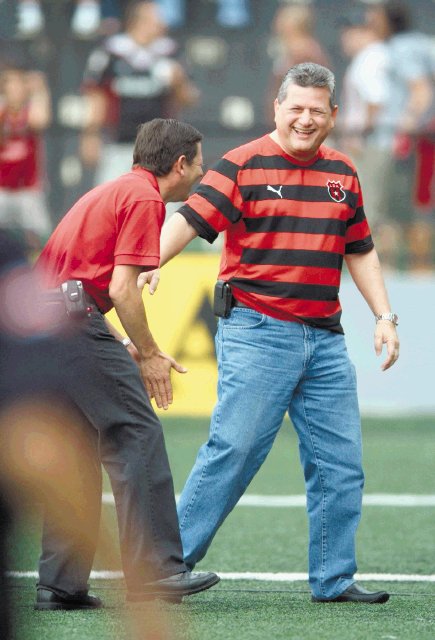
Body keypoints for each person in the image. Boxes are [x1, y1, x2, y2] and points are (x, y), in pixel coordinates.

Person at [138, 63, 400, 604]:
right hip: (258, 329)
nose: (305, 119)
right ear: (277, 108)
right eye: (295, 108)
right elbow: (189, 219)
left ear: (334, 114)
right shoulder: (240, 164)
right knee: (234, 449)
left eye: (316, 110)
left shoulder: (344, 173)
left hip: (326, 339)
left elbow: (361, 250)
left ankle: (334, 580)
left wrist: (384, 317)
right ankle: (164, 567)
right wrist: (150, 259)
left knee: (341, 464)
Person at [34, 118, 219, 610]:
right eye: (197, 165)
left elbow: (75, 287)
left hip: (49, 325)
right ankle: (156, 572)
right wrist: (152, 353)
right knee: (135, 432)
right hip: (72, 324)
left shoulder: (117, 188)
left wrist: (122, 344)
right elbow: (121, 288)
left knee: (76, 449)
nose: (200, 174)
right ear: (179, 164)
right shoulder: (145, 199)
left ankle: (60, 585)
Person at [80, 0, 199, 184]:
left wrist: (178, 82)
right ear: (138, 22)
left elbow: (190, 99)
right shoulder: (111, 53)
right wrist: (90, 135)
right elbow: (96, 97)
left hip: (162, 149)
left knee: (163, 206)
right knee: (114, 202)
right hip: (120, 144)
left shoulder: (171, 52)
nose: (162, 23)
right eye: (156, 18)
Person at [366, 0, 435, 271]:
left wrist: (403, 131)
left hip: (409, 142)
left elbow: (421, 91)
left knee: (401, 207)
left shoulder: (401, 47)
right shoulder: (418, 42)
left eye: (375, 14)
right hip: (421, 141)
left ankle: (405, 270)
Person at [337, 9, 401, 271]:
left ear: (363, 32)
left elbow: (376, 103)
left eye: (348, 34)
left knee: (369, 212)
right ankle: (384, 268)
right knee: (371, 210)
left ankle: (381, 269)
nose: (344, 40)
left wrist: (357, 135)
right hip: (379, 143)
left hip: (371, 145)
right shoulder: (378, 55)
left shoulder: (370, 58)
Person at [0, 63, 52, 253]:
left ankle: (36, 274)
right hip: (2, 187)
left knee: (36, 236)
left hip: (28, 187)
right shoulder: (2, 110)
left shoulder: (30, 110)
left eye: (19, 83)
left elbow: (41, 120)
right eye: (9, 83)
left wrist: (40, 91)